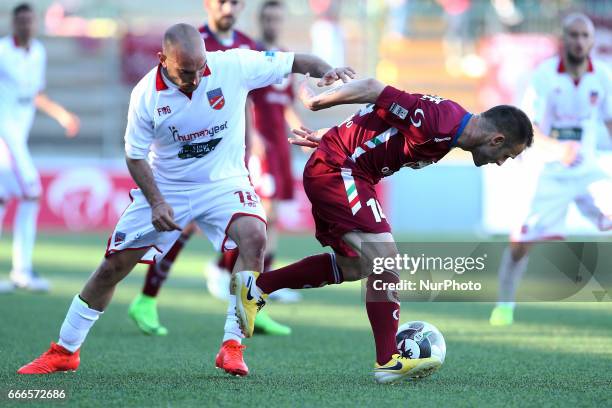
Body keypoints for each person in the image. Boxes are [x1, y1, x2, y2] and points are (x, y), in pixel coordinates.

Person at [17, 23, 355, 376]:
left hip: (224, 182)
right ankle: (65, 350)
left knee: (255, 238)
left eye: (200, 69)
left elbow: (297, 60)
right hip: (167, 188)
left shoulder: (232, 65)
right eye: (186, 72)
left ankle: (232, 345)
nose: (195, 79)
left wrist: (326, 70)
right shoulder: (146, 94)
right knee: (112, 268)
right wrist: (157, 201)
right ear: (162, 59)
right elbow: (134, 156)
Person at [232, 75, 533, 383]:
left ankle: (257, 288)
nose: (500, 163)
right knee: (385, 258)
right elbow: (374, 90)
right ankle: (388, 360)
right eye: (507, 155)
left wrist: (335, 134)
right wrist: (316, 104)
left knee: (356, 265)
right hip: (339, 169)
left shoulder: (450, 130)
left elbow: (382, 118)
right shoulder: (440, 121)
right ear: (497, 140)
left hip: (348, 169)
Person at [128, 0, 291, 337]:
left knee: (260, 222)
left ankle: (250, 305)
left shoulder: (247, 45)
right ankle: (147, 298)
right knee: (181, 226)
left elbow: (246, 97)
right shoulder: (193, 45)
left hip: (234, 152)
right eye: (222, 2)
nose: (228, 7)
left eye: (234, 2)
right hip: (191, 160)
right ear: (209, 5)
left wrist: (251, 141)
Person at [489, 13, 612, 326]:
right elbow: (528, 125)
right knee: (521, 244)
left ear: (592, 41)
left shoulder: (603, 76)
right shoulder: (543, 75)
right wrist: (558, 149)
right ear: (564, 38)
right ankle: (504, 306)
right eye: (573, 35)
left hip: (587, 171)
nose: (579, 41)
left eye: (585, 36)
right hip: (547, 172)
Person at [0, 3, 80, 294]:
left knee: (5, 197)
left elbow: (36, 95)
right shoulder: (2, 51)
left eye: (29, 21)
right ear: (13, 23)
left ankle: (20, 271)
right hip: (3, 130)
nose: (25, 25)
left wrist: (62, 115)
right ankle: (22, 270)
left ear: (35, 24)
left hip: (19, 131)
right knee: (31, 190)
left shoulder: (38, 53)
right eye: (20, 20)